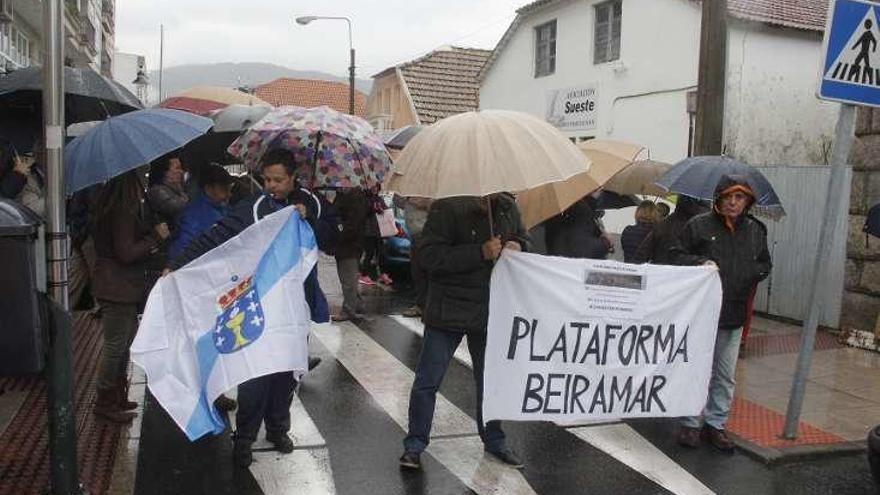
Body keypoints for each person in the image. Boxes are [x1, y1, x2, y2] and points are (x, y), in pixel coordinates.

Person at [168, 149, 330, 469]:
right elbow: (217, 236)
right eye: (267, 179)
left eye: (279, 180)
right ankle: (243, 439)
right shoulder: (253, 208)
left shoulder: (310, 203)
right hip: (258, 304)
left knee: (285, 375)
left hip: (294, 309)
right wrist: (176, 263)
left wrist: (309, 211)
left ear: (293, 178)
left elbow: (332, 238)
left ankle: (277, 430)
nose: (272, 185)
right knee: (255, 374)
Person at [399, 193, 528, 470]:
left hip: (490, 307)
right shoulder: (447, 207)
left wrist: (518, 245)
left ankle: (494, 440)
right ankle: (415, 444)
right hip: (448, 310)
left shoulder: (507, 208)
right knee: (428, 381)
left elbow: (524, 240)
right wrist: (479, 252)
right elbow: (429, 256)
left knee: (490, 381)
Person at [671, 174, 771, 453]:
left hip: (734, 313)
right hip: (701, 314)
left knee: (725, 374)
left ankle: (716, 424)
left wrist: (752, 272)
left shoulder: (755, 230)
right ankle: (691, 422)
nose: (733, 202)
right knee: (697, 369)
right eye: (728, 197)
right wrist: (699, 262)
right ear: (718, 198)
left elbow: (765, 263)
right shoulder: (698, 226)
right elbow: (675, 255)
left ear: (747, 201)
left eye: (739, 197)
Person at [92, 171, 170, 423]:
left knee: (123, 343)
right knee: (116, 345)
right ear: (130, 182)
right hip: (117, 286)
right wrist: (155, 238)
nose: (145, 182)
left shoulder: (113, 206)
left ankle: (116, 395)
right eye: (141, 178)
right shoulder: (123, 210)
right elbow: (125, 252)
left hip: (118, 285)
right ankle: (105, 400)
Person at [168, 164, 234, 261]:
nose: (229, 194)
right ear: (208, 188)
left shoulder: (222, 207)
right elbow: (181, 250)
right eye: (223, 189)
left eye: (229, 189)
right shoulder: (194, 216)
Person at [633, 196, 707, 265]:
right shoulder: (700, 228)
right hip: (688, 276)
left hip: (659, 273)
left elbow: (642, 254)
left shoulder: (664, 224)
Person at [330, 187, 368, 321]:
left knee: (348, 278)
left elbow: (354, 223)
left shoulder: (355, 196)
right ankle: (357, 304)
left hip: (350, 244)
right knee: (347, 276)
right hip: (344, 244)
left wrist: (340, 233)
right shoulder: (342, 194)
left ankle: (349, 309)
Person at [543, 196, 610, 259]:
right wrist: (605, 243)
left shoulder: (552, 207)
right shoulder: (579, 207)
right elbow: (580, 248)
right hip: (572, 264)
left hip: (556, 261)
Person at [400, 196, 432, 317]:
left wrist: (424, 202)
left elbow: (439, 204)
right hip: (413, 234)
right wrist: (408, 198)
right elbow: (397, 201)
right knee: (417, 271)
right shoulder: (409, 188)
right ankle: (421, 304)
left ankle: (427, 305)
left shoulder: (429, 187)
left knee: (426, 270)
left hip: (426, 232)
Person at [148, 154, 189, 227]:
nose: (181, 171)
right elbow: (177, 208)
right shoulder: (157, 191)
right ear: (165, 172)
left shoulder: (177, 188)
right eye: (177, 168)